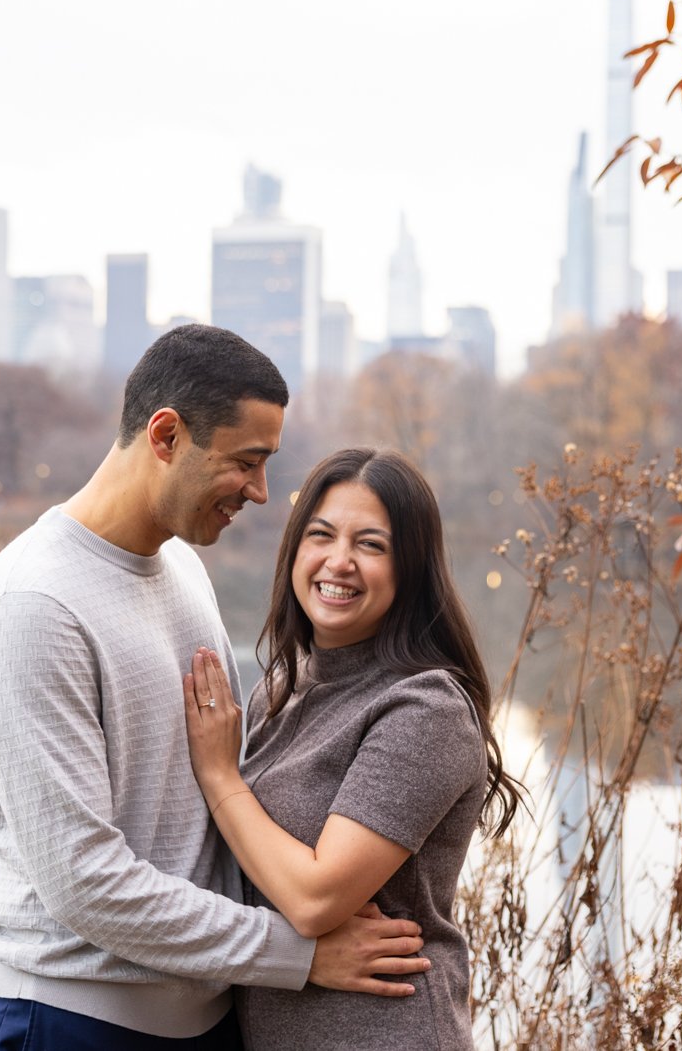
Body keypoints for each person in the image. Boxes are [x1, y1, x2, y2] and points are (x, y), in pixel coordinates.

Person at [0, 327, 432, 1051]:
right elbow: (85, 880)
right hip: (68, 1023)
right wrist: (296, 954)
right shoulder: (33, 603)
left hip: (204, 1022)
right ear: (167, 435)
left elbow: (207, 814)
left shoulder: (182, 573)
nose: (262, 491)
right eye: (247, 461)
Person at [182, 448, 524, 1051]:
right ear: (294, 548)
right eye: (321, 535)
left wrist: (219, 774)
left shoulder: (426, 708)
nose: (338, 562)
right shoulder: (282, 688)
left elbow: (315, 899)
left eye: (371, 545)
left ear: (411, 569)